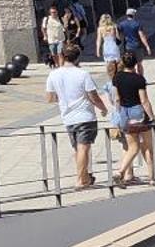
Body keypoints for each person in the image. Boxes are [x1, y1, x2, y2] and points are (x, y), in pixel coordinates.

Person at [44, 42, 108, 189]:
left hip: (68, 117)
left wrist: (64, 98)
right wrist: (103, 108)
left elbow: (49, 98)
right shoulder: (83, 74)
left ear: (61, 56)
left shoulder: (53, 75)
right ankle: (80, 180)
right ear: (78, 58)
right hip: (85, 115)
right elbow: (93, 96)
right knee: (84, 148)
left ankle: (85, 176)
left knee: (78, 149)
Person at [108, 49, 155, 187]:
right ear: (135, 63)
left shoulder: (117, 77)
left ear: (123, 62)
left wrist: (119, 113)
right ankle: (152, 177)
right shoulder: (139, 79)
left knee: (133, 146)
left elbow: (117, 99)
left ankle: (120, 172)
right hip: (138, 111)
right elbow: (144, 100)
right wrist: (152, 117)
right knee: (147, 146)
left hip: (124, 112)